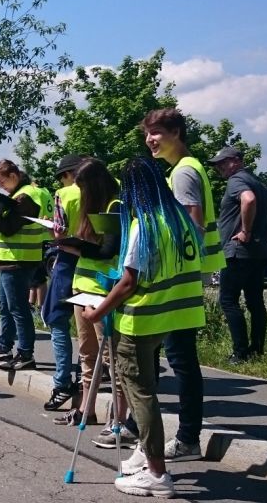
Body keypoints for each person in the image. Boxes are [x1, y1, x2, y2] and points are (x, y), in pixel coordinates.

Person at [82, 156, 206, 498]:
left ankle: (156, 473)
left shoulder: (145, 224)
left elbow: (128, 282)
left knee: (142, 395)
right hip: (177, 314)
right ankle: (145, 455)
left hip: (143, 318)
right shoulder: (182, 219)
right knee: (148, 390)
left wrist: (97, 312)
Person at [141, 107, 226, 461]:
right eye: (147, 134)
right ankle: (180, 433)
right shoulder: (183, 169)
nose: (150, 140)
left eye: (157, 133)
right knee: (179, 357)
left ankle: (188, 437)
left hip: (178, 279)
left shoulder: (184, 173)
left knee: (181, 359)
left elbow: (191, 226)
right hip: (183, 277)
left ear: (176, 132)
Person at [53, 158, 129, 433]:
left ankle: (118, 419)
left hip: (104, 290)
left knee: (110, 358)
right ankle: (86, 409)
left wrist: (74, 248)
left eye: (84, 188)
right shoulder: (93, 208)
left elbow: (109, 250)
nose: (81, 194)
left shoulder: (114, 206)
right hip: (82, 287)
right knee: (87, 353)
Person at [208, 146, 267, 365]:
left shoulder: (237, 181)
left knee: (228, 300)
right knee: (255, 301)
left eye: (222, 163)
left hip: (238, 253)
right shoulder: (256, 181)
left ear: (236, 161)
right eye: (217, 165)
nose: (219, 168)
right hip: (259, 252)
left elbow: (248, 199)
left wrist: (246, 231)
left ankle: (240, 352)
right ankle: (257, 349)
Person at [0, 160, 51, 371]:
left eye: (2, 182)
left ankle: (26, 354)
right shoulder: (25, 193)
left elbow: (9, 227)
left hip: (19, 259)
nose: (1, 187)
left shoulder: (27, 195)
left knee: (18, 308)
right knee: (4, 306)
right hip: (11, 259)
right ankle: (3, 347)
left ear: (14, 175)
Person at [42, 154, 85, 411]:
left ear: (69, 174)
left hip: (69, 259)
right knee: (90, 325)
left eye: (63, 176)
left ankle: (62, 383)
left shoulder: (65, 194)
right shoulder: (110, 187)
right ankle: (85, 377)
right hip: (99, 263)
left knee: (56, 318)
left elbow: (58, 231)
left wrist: (51, 229)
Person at [28, 182, 54, 313]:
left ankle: (40, 308)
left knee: (38, 276)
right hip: (46, 235)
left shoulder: (34, 193)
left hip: (38, 236)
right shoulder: (46, 192)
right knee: (36, 276)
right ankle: (32, 304)